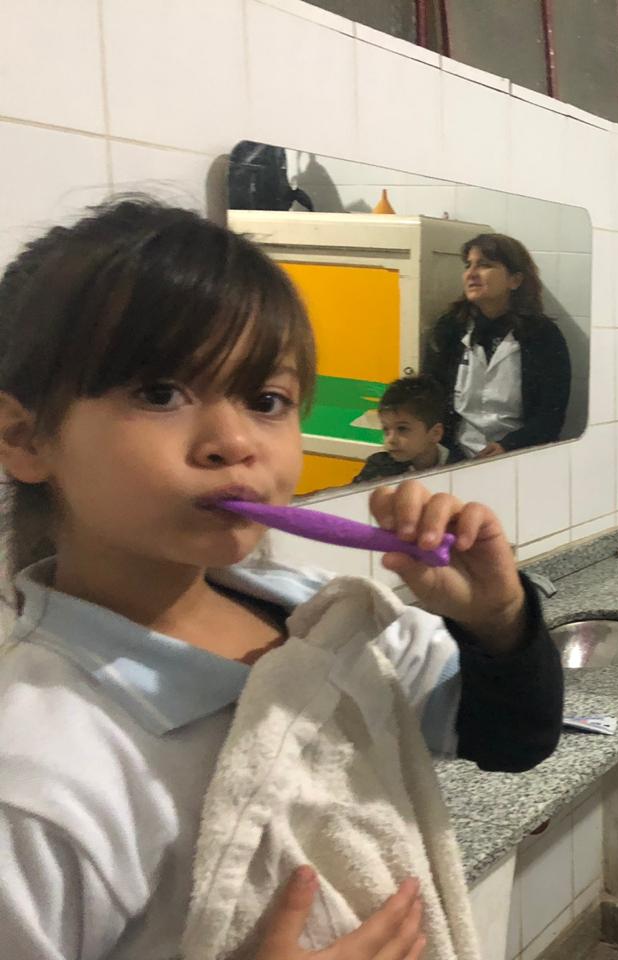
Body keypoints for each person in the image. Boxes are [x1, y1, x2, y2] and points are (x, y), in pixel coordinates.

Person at [0, 198, 564, 960]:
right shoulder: (34, 774)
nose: (234, 441)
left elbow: (513, 738)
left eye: (267, 400)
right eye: (160, 393)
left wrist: (497, 620)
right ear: (25, 437)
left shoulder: (320, 619)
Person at [420, 234, 570, 460]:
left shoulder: (543, 337)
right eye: (468, 265)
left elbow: (550, 417)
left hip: (519, 457)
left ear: (515, 280)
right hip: (454, 457)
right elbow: (429, 399)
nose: (471, 274)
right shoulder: (451, 328)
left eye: (485, 265)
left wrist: (508, 446)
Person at [354, 375, 449, 483]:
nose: (390, 440)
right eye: (386, 429)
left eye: (402, 429)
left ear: (435, 433)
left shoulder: (458, 465)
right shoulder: (378, 468)